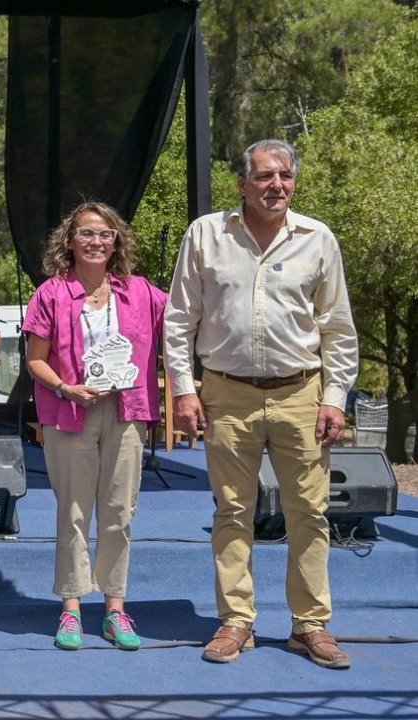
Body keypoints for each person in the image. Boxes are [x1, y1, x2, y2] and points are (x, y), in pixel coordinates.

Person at [165, 139, 358, 669]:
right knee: (232, 510)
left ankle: (310, 625)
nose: (277, 185)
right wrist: (183, 389)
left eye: (285, 176)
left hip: (302, 393)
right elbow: (179, 319)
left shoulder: (317, 238)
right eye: (266, 176)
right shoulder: (206, 234)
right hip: (226, 393)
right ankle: (236, 621)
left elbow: (338, 327)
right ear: (243, 184)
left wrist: (335, 397)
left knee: (309, 512)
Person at [22, 201, 166, 652]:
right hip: (71, 412)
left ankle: (114, 609)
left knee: (119, 513)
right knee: (74, 512)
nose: (96, 242)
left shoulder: (141, 292)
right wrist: (66, 388)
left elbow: (185, 320)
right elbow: (34, 360)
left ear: (116, 242)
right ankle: (71, 608)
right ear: (69, 241)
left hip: (127, 412)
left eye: (105, 234)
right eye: (86, 233)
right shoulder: (51, 293)